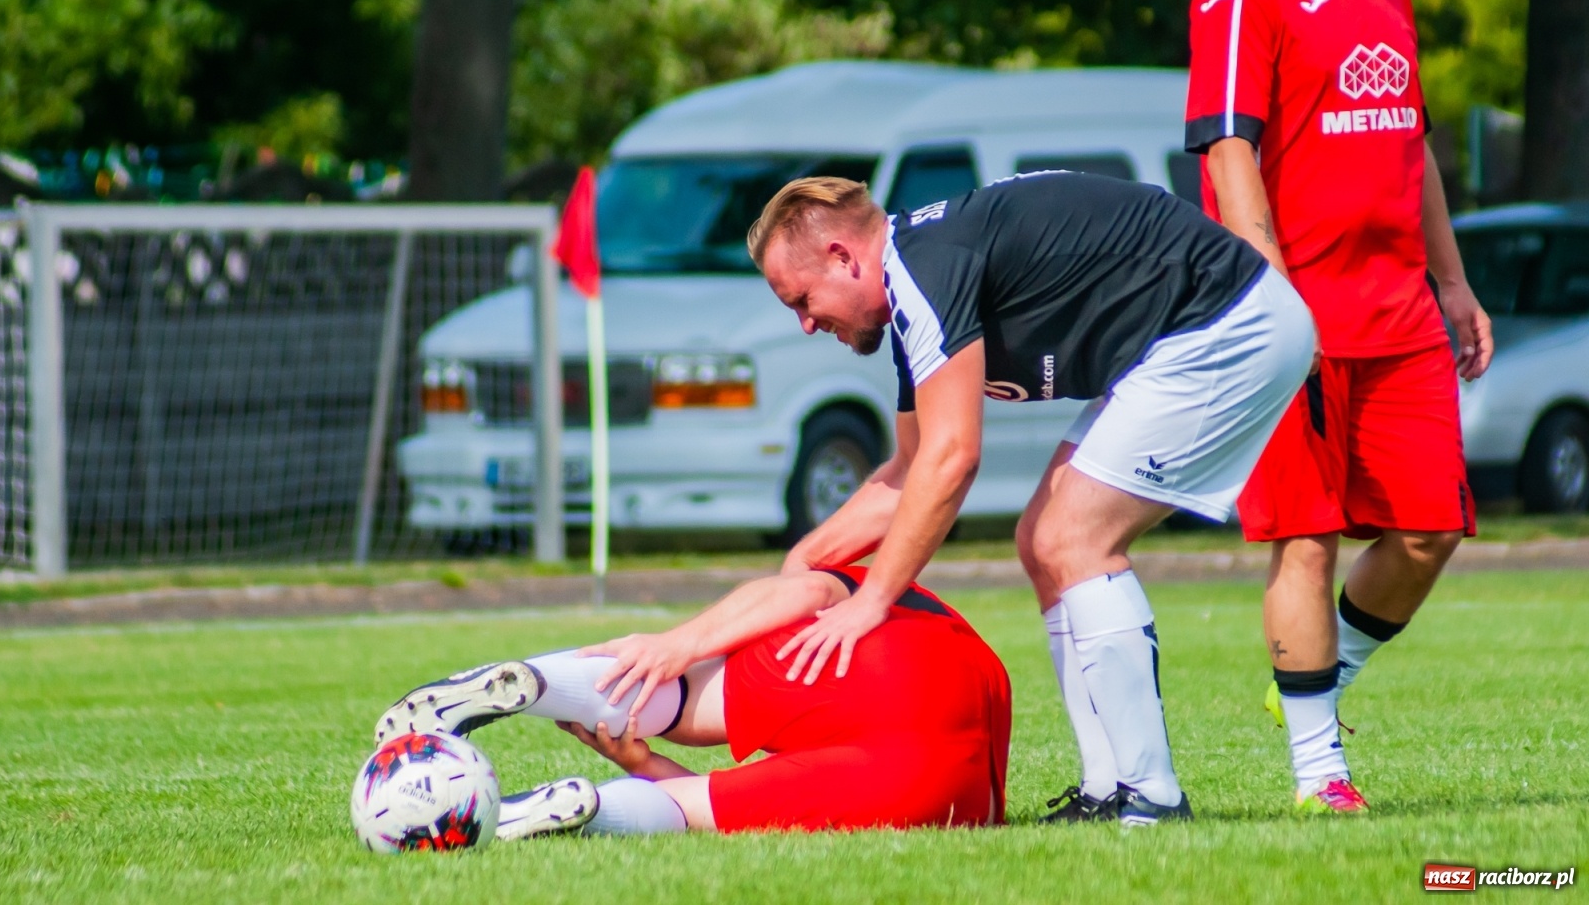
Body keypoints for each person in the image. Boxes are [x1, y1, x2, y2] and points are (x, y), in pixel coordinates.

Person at [746, 170, 1315, 824]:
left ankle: (1151, 797)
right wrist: (802, 566)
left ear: (842, 257)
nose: (805, 324)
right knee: (1042, 543)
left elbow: (954, 458)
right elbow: (909, 472)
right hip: (1196, 329)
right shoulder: (914, 288)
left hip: (1226, 321)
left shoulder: (928, 267)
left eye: (800, 298)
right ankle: (1108, 792)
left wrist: (871, 599)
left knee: (1071, 540)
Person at [1184, 0, 1494, 814]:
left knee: (1432, 530)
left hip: (1399, 309)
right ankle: (1321, 774)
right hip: (1297, 319)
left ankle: (1314, 684)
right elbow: (1229, 151)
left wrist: (1452, 283)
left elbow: (1412, 142)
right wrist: (1274, 301)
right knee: (1306, 540)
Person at [374, 566, 1010, 837]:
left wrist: (677, 644)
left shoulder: (881, 578)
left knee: (683, 697)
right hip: (943, 783)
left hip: (881, 657)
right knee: (693, 810)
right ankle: (588, 811)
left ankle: (541, 682)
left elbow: (810, 588)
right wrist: (644, 770)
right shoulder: (953, 633)